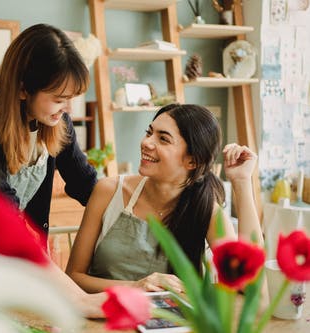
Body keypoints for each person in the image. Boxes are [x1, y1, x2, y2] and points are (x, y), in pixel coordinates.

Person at [66, 103, 264, 294]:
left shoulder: (207, 212)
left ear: (192, 161)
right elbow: (74, 277)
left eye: (163, 139)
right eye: (149, 132)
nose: (146, 142)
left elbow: (247, 284)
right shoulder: (108, 191)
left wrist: (242, 182)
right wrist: (136, 287)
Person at [0, 23, 97, 236]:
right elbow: (0, 205)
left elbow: (84, 183)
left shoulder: (56, 121)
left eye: (71, 99)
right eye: (60, 99)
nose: (68, 109)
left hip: (12, 244)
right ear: (23, 88)